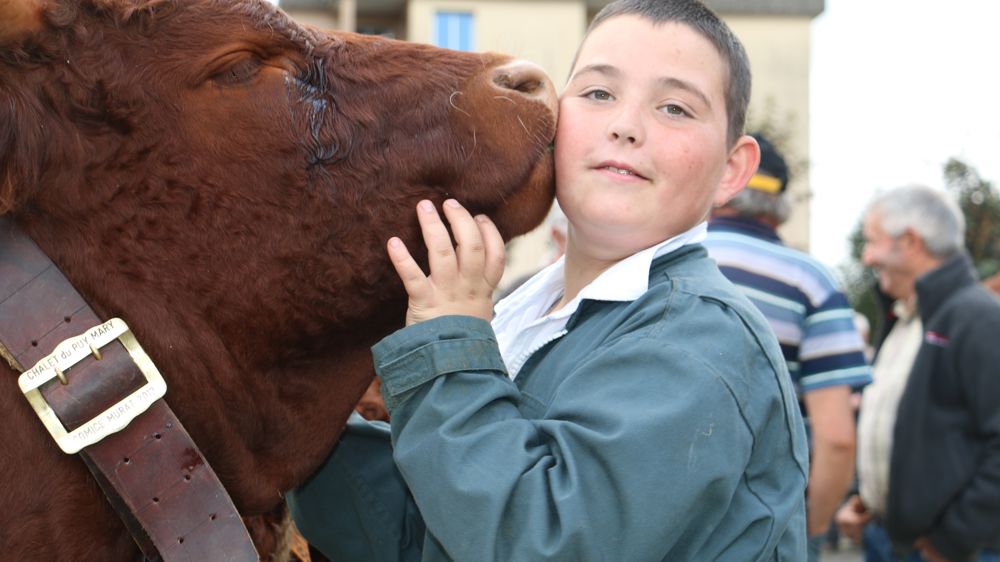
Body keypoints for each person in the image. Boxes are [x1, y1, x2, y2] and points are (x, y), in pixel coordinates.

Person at [288, 1, 809, 559]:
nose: (626, 126)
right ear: (555, 121)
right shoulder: (526, 310)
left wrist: (448, 341)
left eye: (675, 108)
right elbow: (434, 527)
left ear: (732, 168)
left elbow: (536, 540)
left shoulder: (702, 341)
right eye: (599, 93)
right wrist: (287, 414)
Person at [703, 133, 873, 561]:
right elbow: (837, 438)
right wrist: (810, 529)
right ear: (780, 205)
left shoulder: (651, 261)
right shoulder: (810, 282)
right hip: (766, 528)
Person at [834, 185, 1000, 562]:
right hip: (890, 539)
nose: (866, 256)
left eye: (872, 241)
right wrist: (864, 496)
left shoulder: (978, 319)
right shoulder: (905, 318)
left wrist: (952, 541)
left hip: (954, 550)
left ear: (910, 242)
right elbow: (902, 426)